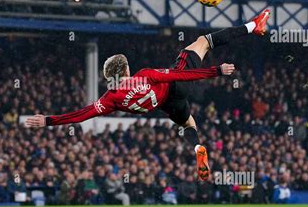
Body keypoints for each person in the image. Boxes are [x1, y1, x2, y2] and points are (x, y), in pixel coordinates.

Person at [27, 10, 271, 181]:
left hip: (168, 106)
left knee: (189, 123)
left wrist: (49, 120)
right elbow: (178, 76)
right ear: (125, 70)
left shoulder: (110, 98)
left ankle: (197, 147)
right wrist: (215, 71)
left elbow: (81, 115)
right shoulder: (144, 75)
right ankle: (254, 25)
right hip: (176, 88)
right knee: (203, 42)